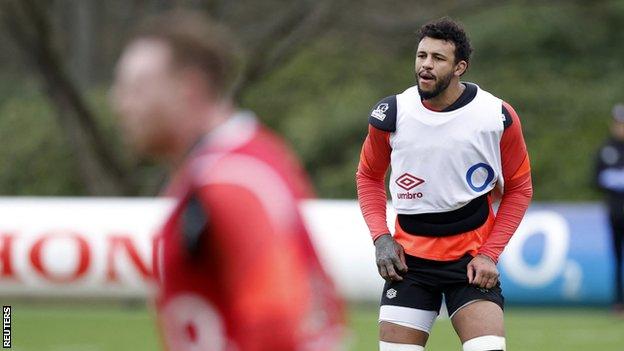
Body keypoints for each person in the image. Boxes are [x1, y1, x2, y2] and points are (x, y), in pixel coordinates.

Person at [111, 12, 343, 351]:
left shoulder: (230, 179)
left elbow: (278, 327)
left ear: (187, 89)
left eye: (136, 88)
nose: (120, 103)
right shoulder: (234, 163)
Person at [356, 18, 532, 351]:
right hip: (410, 262)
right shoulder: (390, 113)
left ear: (459, 67)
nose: (425, 65)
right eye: (421, 56)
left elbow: (520, 189)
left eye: (438, 58)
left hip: (470, 260)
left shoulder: (497, 116)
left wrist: (490, 255)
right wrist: (381, 237)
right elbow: (367, 176)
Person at [595, 103, 624, 315]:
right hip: (616, 212)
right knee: (617, 258)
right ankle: (618, 302)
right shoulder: (607, 149)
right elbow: (596, 178)